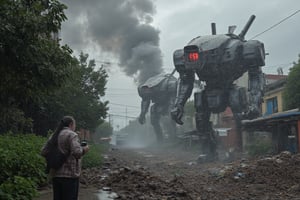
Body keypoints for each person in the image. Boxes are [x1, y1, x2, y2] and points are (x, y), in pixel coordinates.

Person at [41, 116, 89, 200]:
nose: (75, 127)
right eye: (74, 125)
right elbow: (77, 153)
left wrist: (55, 157)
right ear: (71, 124)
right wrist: (85, 149)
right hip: (70, 176)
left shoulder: (54, 135)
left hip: (56, 174)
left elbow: (43, 151)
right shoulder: (72, 135)